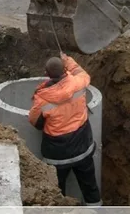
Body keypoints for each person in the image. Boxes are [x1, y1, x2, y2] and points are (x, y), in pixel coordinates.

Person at [28, 52, 102, 206]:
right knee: (90, 187)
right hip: (83, 147)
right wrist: (68, 60)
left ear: (47, 74)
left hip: (57, 153)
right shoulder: (78, 83)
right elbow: (82, 73)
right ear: (64, 70)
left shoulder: (42, 99)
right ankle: (96, 209)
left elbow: (35, 122)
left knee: (56, 191)